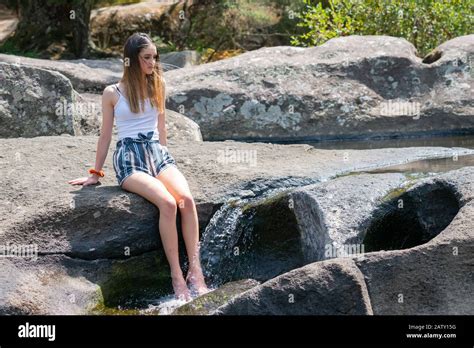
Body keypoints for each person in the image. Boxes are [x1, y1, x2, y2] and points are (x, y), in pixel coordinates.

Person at [68, 32, 208, 301]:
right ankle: (177, 276)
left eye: (155, 57)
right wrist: (95, 174)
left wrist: (165, 160)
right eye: (147, 58)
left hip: (157, 153)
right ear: (131, 60)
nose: (153, 63)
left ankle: (196, 271)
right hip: (129, 158)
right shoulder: (113, 93)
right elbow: (106, 135)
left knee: (186, 201)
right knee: (167, 204)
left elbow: (161, 126)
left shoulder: (158, 85)